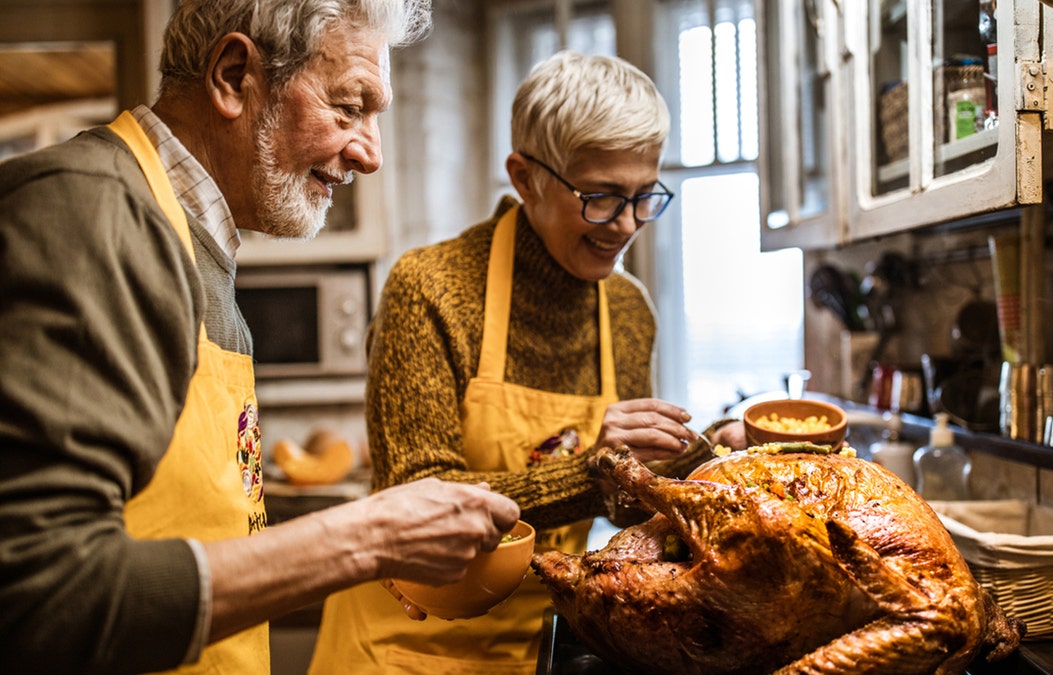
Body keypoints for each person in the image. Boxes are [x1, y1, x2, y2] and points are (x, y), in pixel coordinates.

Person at [0, 1, 521, 673]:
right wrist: (365, 538)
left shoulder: (194, 244)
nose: (371, 154)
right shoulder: (95, 213)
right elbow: (40, 594)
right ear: (234, 74)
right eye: (349, 107)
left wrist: (367, 544)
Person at [309, 50, 745, 674]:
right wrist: (593, 472)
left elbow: (619, 504)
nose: (625, 224)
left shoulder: (627, 309)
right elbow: (417, 497)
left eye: (644, 195)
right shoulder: (430, 288)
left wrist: (698, 460)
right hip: (403, 647)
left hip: (533, 644)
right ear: (524, 177)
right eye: (599, 196)